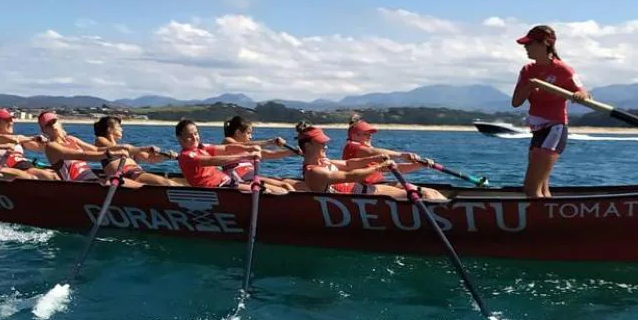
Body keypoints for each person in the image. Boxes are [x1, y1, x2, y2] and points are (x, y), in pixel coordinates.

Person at [511, 24, 590, 198]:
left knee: (531, 188)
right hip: (537, 130)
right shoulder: (527, 70)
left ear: (545, 43)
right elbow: (516, 102)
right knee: (541, 189)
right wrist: (530, 85)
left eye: (530, 44)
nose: (526, 48)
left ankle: (538, 221)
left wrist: (579, 94)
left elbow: (584, 93)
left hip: (555, 128)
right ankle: (546, 216)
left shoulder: (564, 70)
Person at [295, 122, 446, 200]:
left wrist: (377, 159)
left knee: (429, 193)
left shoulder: (324, 161)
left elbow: (349, 164)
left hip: (365, 192)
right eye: (321, 143)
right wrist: (380, 165)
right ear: (308, 146)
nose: (325, 146)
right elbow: (351, 176)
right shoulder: (313, 172)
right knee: (426, 195)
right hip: (359, 200)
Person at [174, 119, 288, 194]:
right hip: (218, 190)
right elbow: (213, 160)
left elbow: (227, 148)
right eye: (189, 136)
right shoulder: (186, 156)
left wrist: (249, 149)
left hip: (229, 183)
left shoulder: (202, 147)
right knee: (266, 191)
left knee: (280, 191)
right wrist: (245, 156)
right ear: (180, 138)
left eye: (196, 134)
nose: (195, 138)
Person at [38, 110, 139, 185]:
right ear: (44, 130)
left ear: (59, 123)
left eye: (53, 121)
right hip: (77, 185)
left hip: (92, 180)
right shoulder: (51, 146)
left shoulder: (71, 139)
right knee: (121, 183)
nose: (52, 126)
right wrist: (110, 154)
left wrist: (121, 148)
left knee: (133, 184)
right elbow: (82, 155)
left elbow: (96, 149)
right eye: (48, 125)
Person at [221, 115, 302, 189]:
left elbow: (268, 154)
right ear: (238, 132)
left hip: (251, 178)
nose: (251, 136)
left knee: (286, 185)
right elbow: (241, 145)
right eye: (248, 133)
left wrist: (290, 152)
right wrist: (270, 142)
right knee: (283, 188)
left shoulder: (248, 148)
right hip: (240, 181)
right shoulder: (227, 141)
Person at [92, 115, 177, 186]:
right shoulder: (100, 140)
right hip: (124, 175)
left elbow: (149, 158)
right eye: (119, 126)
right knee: (167, 183)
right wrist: (142, 149)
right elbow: (116, 148)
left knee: (171, 183)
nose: (122, 129)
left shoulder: (126, 148)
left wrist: (167, 156)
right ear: (109, 129)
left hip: (136, 172)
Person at [0, 108, 59, 180]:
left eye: (11, 119)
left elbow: (41, 148)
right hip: (13, 169)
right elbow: (14, 139)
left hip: (26, 166)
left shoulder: (20, 138)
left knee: (56, 174)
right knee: (52, 177)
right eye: (7, 120)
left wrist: (51, 142)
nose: (11, 122)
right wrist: (32, 138)